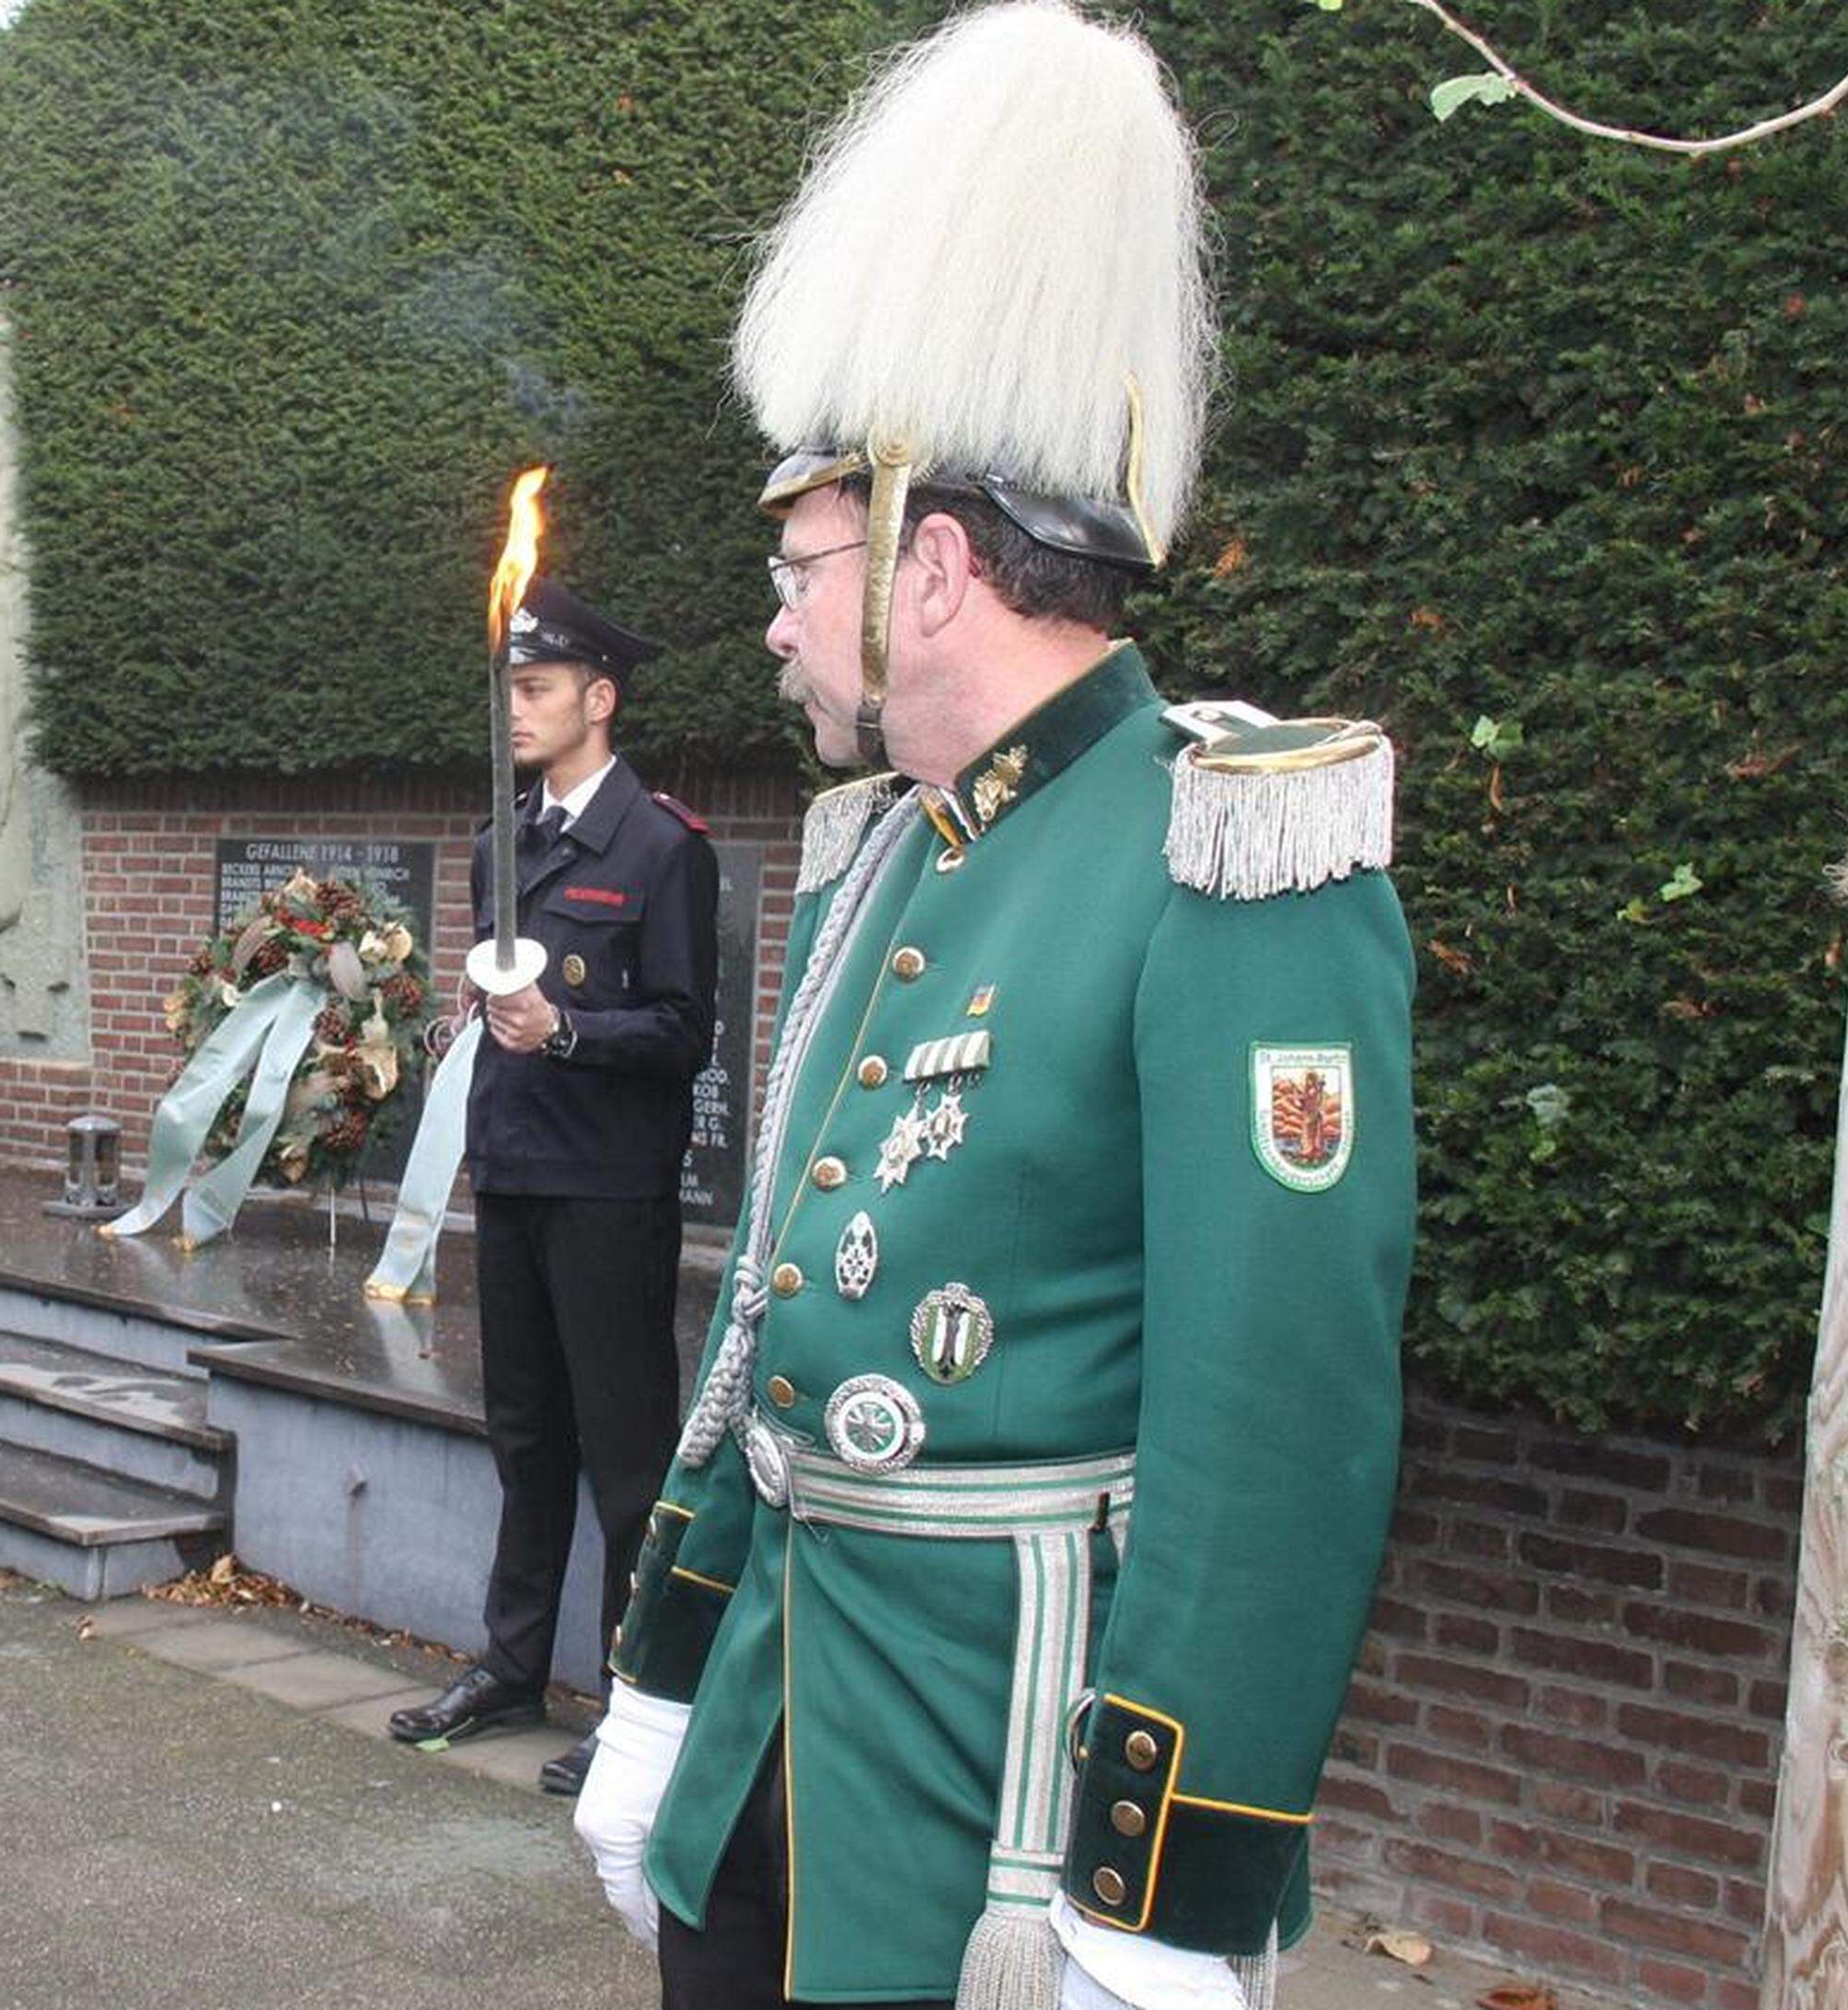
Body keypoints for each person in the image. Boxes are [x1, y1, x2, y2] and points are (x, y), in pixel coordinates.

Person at [569, 8, 1414, 2009]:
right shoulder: (894, 849)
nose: (775, 619)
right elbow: (766, 1332)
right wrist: (665, 1691)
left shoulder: (1231, 847)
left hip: (1008, 1800)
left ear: (931, 567)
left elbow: (1275, 1420)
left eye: (803, 563)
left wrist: (1167, 1889)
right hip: (779, 1721)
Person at [385, 577, 716, 1801]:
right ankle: (514, 1666)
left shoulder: (662, 847)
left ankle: (637, 1707)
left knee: (628, 1458)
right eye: (506, 690)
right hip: (515, 1174)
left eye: (534, 690)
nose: (512, 710)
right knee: (526, 1441)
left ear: (599, 699)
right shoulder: (498, 843)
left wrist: (565, 1031)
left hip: (610, 1191)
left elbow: (685, 1032)